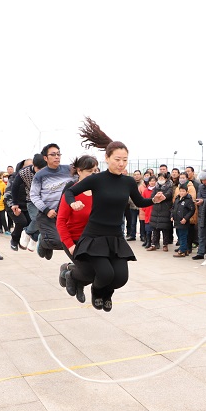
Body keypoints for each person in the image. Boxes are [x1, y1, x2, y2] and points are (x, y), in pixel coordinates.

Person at [63, 117, 166, 311]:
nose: (121, 163)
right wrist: (73, 202)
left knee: (121, 278)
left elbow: (139, 202)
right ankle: (97, 291)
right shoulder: (97, 179)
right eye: (117, 159)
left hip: (115, 236)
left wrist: (154, 200)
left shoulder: (128, 182)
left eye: (124, 160)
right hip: (95, 236)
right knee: (105, 274)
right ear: (107, 158)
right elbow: (70, 191)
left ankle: (107, 293)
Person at [57, 155, 98, 303]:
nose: (94, 174)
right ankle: (68, 271)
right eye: (89, 171)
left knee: (101, 271)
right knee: (88, 272)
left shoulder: (99, 192)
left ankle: (77, 281)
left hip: (92, 240)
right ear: (79, 171)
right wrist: (70, 244)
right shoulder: (71, 193)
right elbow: (60, 221)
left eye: (96, 171)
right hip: (74, 239)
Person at [30, 144, 72, 259]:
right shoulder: (40, 175)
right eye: (53, 154)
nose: (57, 157)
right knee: (57, 242)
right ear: (45, 158)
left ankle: (48, 240)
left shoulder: (69, 170)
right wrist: (46, 210)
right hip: (47, 215)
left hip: (66, 214)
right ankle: (44, 241)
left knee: (71, 241)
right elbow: (34, 195)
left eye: (58, 154)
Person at [5, 158, 33, 251]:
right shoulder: (14, 177)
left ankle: (23, 241)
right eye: (28, 166)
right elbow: (7, 194)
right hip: (13, 205)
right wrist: (12, 205)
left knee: (32, 222)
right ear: (22, 167)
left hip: (27, 205)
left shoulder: (35, 176)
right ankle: (14, 240)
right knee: (22, 222)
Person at [147, 172, 174, 251]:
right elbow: (152, 196)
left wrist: (161, 196)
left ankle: (165, 244)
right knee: (155, 228)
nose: (160, 179)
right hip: (156, 210)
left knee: (165, 229)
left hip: (165, 210)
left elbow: (168, 195)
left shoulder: (169, 186)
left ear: (165, 179)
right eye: (159, 178)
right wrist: (157, 196)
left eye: (162, 178)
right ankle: (154, 244)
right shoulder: (156, 187)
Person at [172, 182, 195, 257]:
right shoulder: (177, 199)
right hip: (177, 221)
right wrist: (172, 216)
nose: (181, 193)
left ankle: (182, 251)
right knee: (179, 235)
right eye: (180, 191)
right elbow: (173, 208)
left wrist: (185, 218)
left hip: (183, 222)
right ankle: (184, 249)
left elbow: (192, 210)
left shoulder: (188, 200)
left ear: (187, 192)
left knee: (183, 236)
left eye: (183, 191)